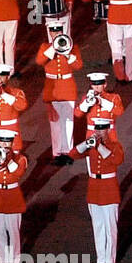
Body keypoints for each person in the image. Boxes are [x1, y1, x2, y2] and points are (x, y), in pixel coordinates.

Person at [68, 117, 124, 263]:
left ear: (107, 130)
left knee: (110, 227)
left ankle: (110, 261)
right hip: (94, 189)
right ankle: (101, 260)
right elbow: (73, 154)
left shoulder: (115, 145)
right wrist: (86, 144)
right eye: (96, 129)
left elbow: (116, 160)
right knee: (98, 226)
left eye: (101, 129)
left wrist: (98, 147)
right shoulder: (91, 145)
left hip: (109, 189)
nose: (98, 132)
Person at [35, 20, 83, 165]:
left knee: (68, 122)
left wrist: (68, 54)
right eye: (53, 32)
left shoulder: (72, 46)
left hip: (67, 87)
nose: (56, 34)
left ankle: (68, 151)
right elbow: (39, 61)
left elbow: (78, 66)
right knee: (55, 123)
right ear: (50, 33)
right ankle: (57, 153)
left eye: (58, 31)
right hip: (53, 88)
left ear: (62, 31)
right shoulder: (45, 47)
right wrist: (53, 49)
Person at [0, 129, 26, 263]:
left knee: (13, 232)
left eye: (7, 141)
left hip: (13, 197)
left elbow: (17, 174)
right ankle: (3, 261)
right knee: (0, 231)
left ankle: (15, 261)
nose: (4, 144)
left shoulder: (20, 158)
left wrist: (7, 160)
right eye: (2, 141)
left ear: (12, 143)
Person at [74, 72, 124, 141]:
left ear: (105, 85)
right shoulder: (86, 98)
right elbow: (77, 114)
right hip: (91, 133)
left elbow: (119, 111)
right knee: (92, 151)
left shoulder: (113, 97)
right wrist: (86, 103)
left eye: (99, 84)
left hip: (109, 133)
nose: (96, 87)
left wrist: (102, 102)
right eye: (94, 84)